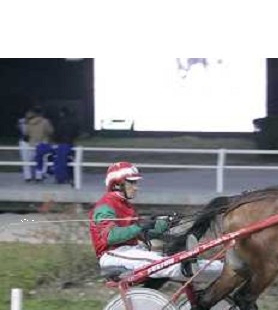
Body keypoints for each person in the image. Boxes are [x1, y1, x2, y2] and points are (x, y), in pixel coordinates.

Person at [89, 161, 223, 281]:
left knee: (177, 259)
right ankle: (219, 271)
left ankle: (222, 268)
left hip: (131, 251)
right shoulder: (105, 206)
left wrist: (165, 224)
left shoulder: (125, 205)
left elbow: (142, 234)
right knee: (172, 264)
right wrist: (139, 226)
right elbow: (109, 237)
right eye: (132, 182)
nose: (136, 187)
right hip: (114, 255)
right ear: (117, 183)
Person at [25, 106, 54, 182]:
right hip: (42, 143)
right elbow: (50, 131)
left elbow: (26, 133)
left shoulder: (29, 122)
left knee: (30, 160)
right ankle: (39, 176)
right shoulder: (45, 122)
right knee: (42, 160)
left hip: (32, 144)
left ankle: (29, 176)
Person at [53, 107, 79, 184]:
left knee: (60, 160)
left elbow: (57, 133)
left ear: (62, 113)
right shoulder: (73, 122)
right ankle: (71, 177)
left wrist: (56, 139)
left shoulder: (60, 122)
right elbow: (76, 133)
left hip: (62, 144)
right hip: (70, 143)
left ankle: (61, 178)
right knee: (70, 160)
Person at [17, 110, 34, 182]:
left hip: (32, 141)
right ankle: (27, 176)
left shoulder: (35, 121)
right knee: (25, 159)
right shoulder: (21, 121)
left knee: (32, 158)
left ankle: (34, 174)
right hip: (24, 141)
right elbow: (21, 131)